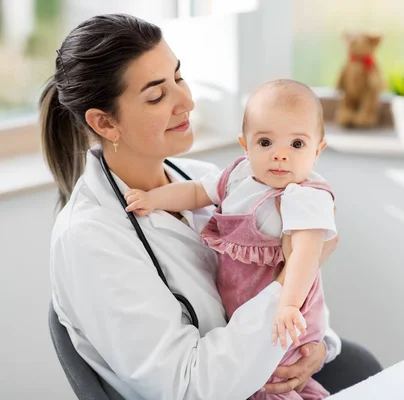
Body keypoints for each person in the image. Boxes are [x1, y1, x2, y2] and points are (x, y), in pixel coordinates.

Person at [42, 13, 381, 400]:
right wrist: (294, 277)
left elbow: (259, 280)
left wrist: (316, 350)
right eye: (157, 96)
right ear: (105, 123)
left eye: (179, 77)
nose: (186, 101)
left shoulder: (204, 179)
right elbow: (188, 387)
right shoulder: (88, 239)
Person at [124, 79, 334, 399]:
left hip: (287, 318)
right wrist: (154, 199)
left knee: (273, 381)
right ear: (244, 145)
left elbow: (306, 254)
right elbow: (196, 191)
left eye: (297, 144)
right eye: (265, 142)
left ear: (317, 150)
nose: (279, 155)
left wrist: (289, 304)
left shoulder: (303, 196)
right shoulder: (237, 176)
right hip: (240, 312)